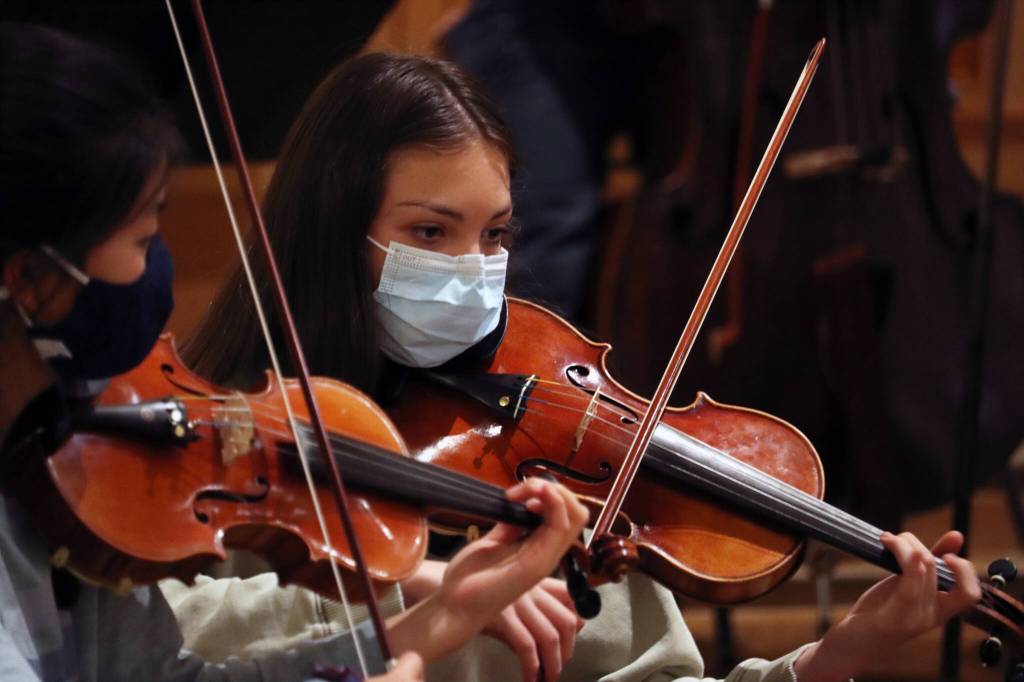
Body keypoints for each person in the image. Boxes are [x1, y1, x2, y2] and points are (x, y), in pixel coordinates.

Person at [182, 51, 982, 682]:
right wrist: (422, 591)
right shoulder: (236, 437)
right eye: (431, 234)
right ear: (333, 233)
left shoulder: (569, 483)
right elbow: (163, 639)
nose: (474, 268)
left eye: (494, 235)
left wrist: (837, 656)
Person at [0, 24, 588, 682]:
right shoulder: (116, 471)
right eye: (143, 239)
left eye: (496, 234)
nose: (156, 269)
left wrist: (444, 614)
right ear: (29, 278)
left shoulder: (54, 460)